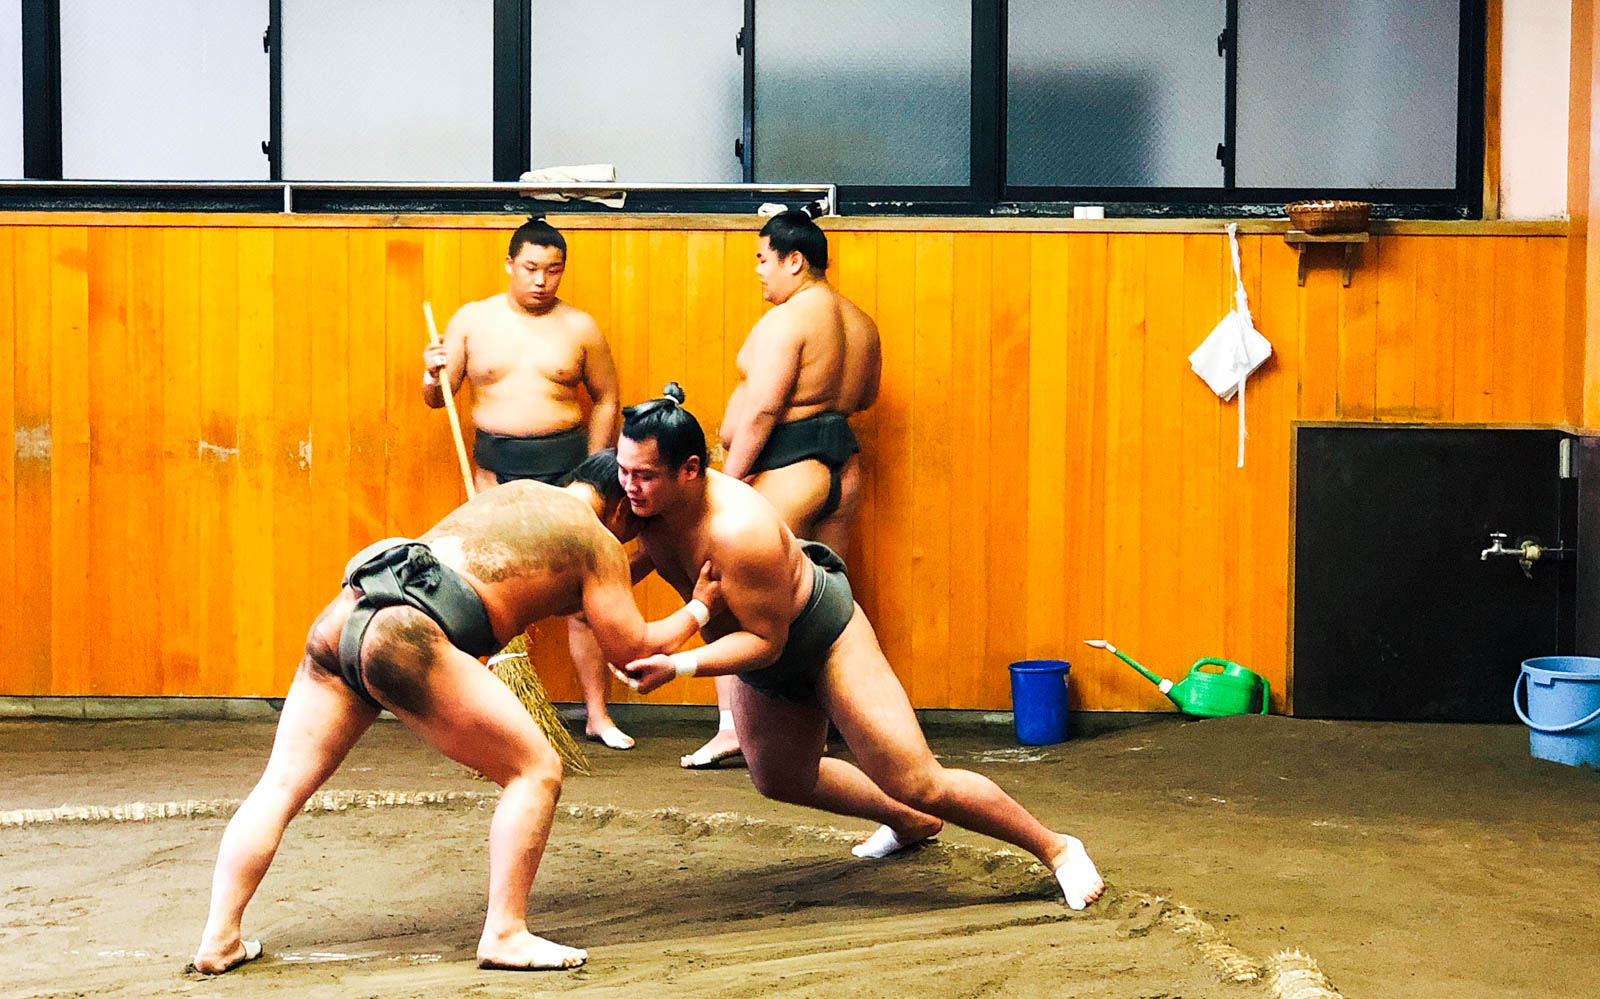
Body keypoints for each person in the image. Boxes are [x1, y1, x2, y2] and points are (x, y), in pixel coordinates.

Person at [189, 461, 722, 975]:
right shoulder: (597, 539)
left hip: (347, 613)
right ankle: (506, 934)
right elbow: (631, 648)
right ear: (623, 512)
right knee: (535, 770)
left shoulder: (516, 496)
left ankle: (219, 938)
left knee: (280, 786)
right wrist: (700, 606)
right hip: (405, 633)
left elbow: (566, 594)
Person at [609, 388, 1105, 910]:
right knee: (780, 778)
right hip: (756, 652)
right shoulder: (643, 507)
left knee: (917, 780)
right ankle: (907, 822)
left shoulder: (739, 530)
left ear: (689, 470)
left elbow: (765, 642)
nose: (629, 486)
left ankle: (1058, 850)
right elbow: (613, 556)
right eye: (623, 470)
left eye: (643, 475)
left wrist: (680, 663)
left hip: (820, 637)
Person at [423, 217, 635, 750]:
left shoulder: (580, 327)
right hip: (494, 472)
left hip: (566, 476)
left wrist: (596, 468)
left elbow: (607, 396)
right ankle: (488, 717)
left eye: (554, 270)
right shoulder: (472, 321)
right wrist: (431, 373)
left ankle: (597, 715)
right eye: (532, 268)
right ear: (510, 265)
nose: (542, 280)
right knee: (486, 595)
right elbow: (438, 398)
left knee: (583, 599)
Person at [684, 209, 882, 769]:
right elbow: (862, 397)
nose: (758, 272)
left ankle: (732, 728)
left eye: (762, 259)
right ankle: (828, 723)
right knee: (823, 602)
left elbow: (765, 406)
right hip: (842, 469)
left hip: (788, 464)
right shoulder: (860, 322)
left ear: (794, 260)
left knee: (731, 586)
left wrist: (731, 478)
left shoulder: (788, 320)